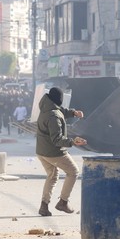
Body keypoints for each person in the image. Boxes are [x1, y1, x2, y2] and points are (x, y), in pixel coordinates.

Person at [36, 87, 86, 217]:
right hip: (52, 152)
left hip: (41, 151)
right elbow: (57, 140)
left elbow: (61, 111)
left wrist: (73, 113)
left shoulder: (46, 107)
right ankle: (63, 202)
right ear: (59, 99)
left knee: (52, 176)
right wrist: (73, 141)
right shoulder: (54, 116)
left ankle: (44, 206)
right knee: (73, 172)